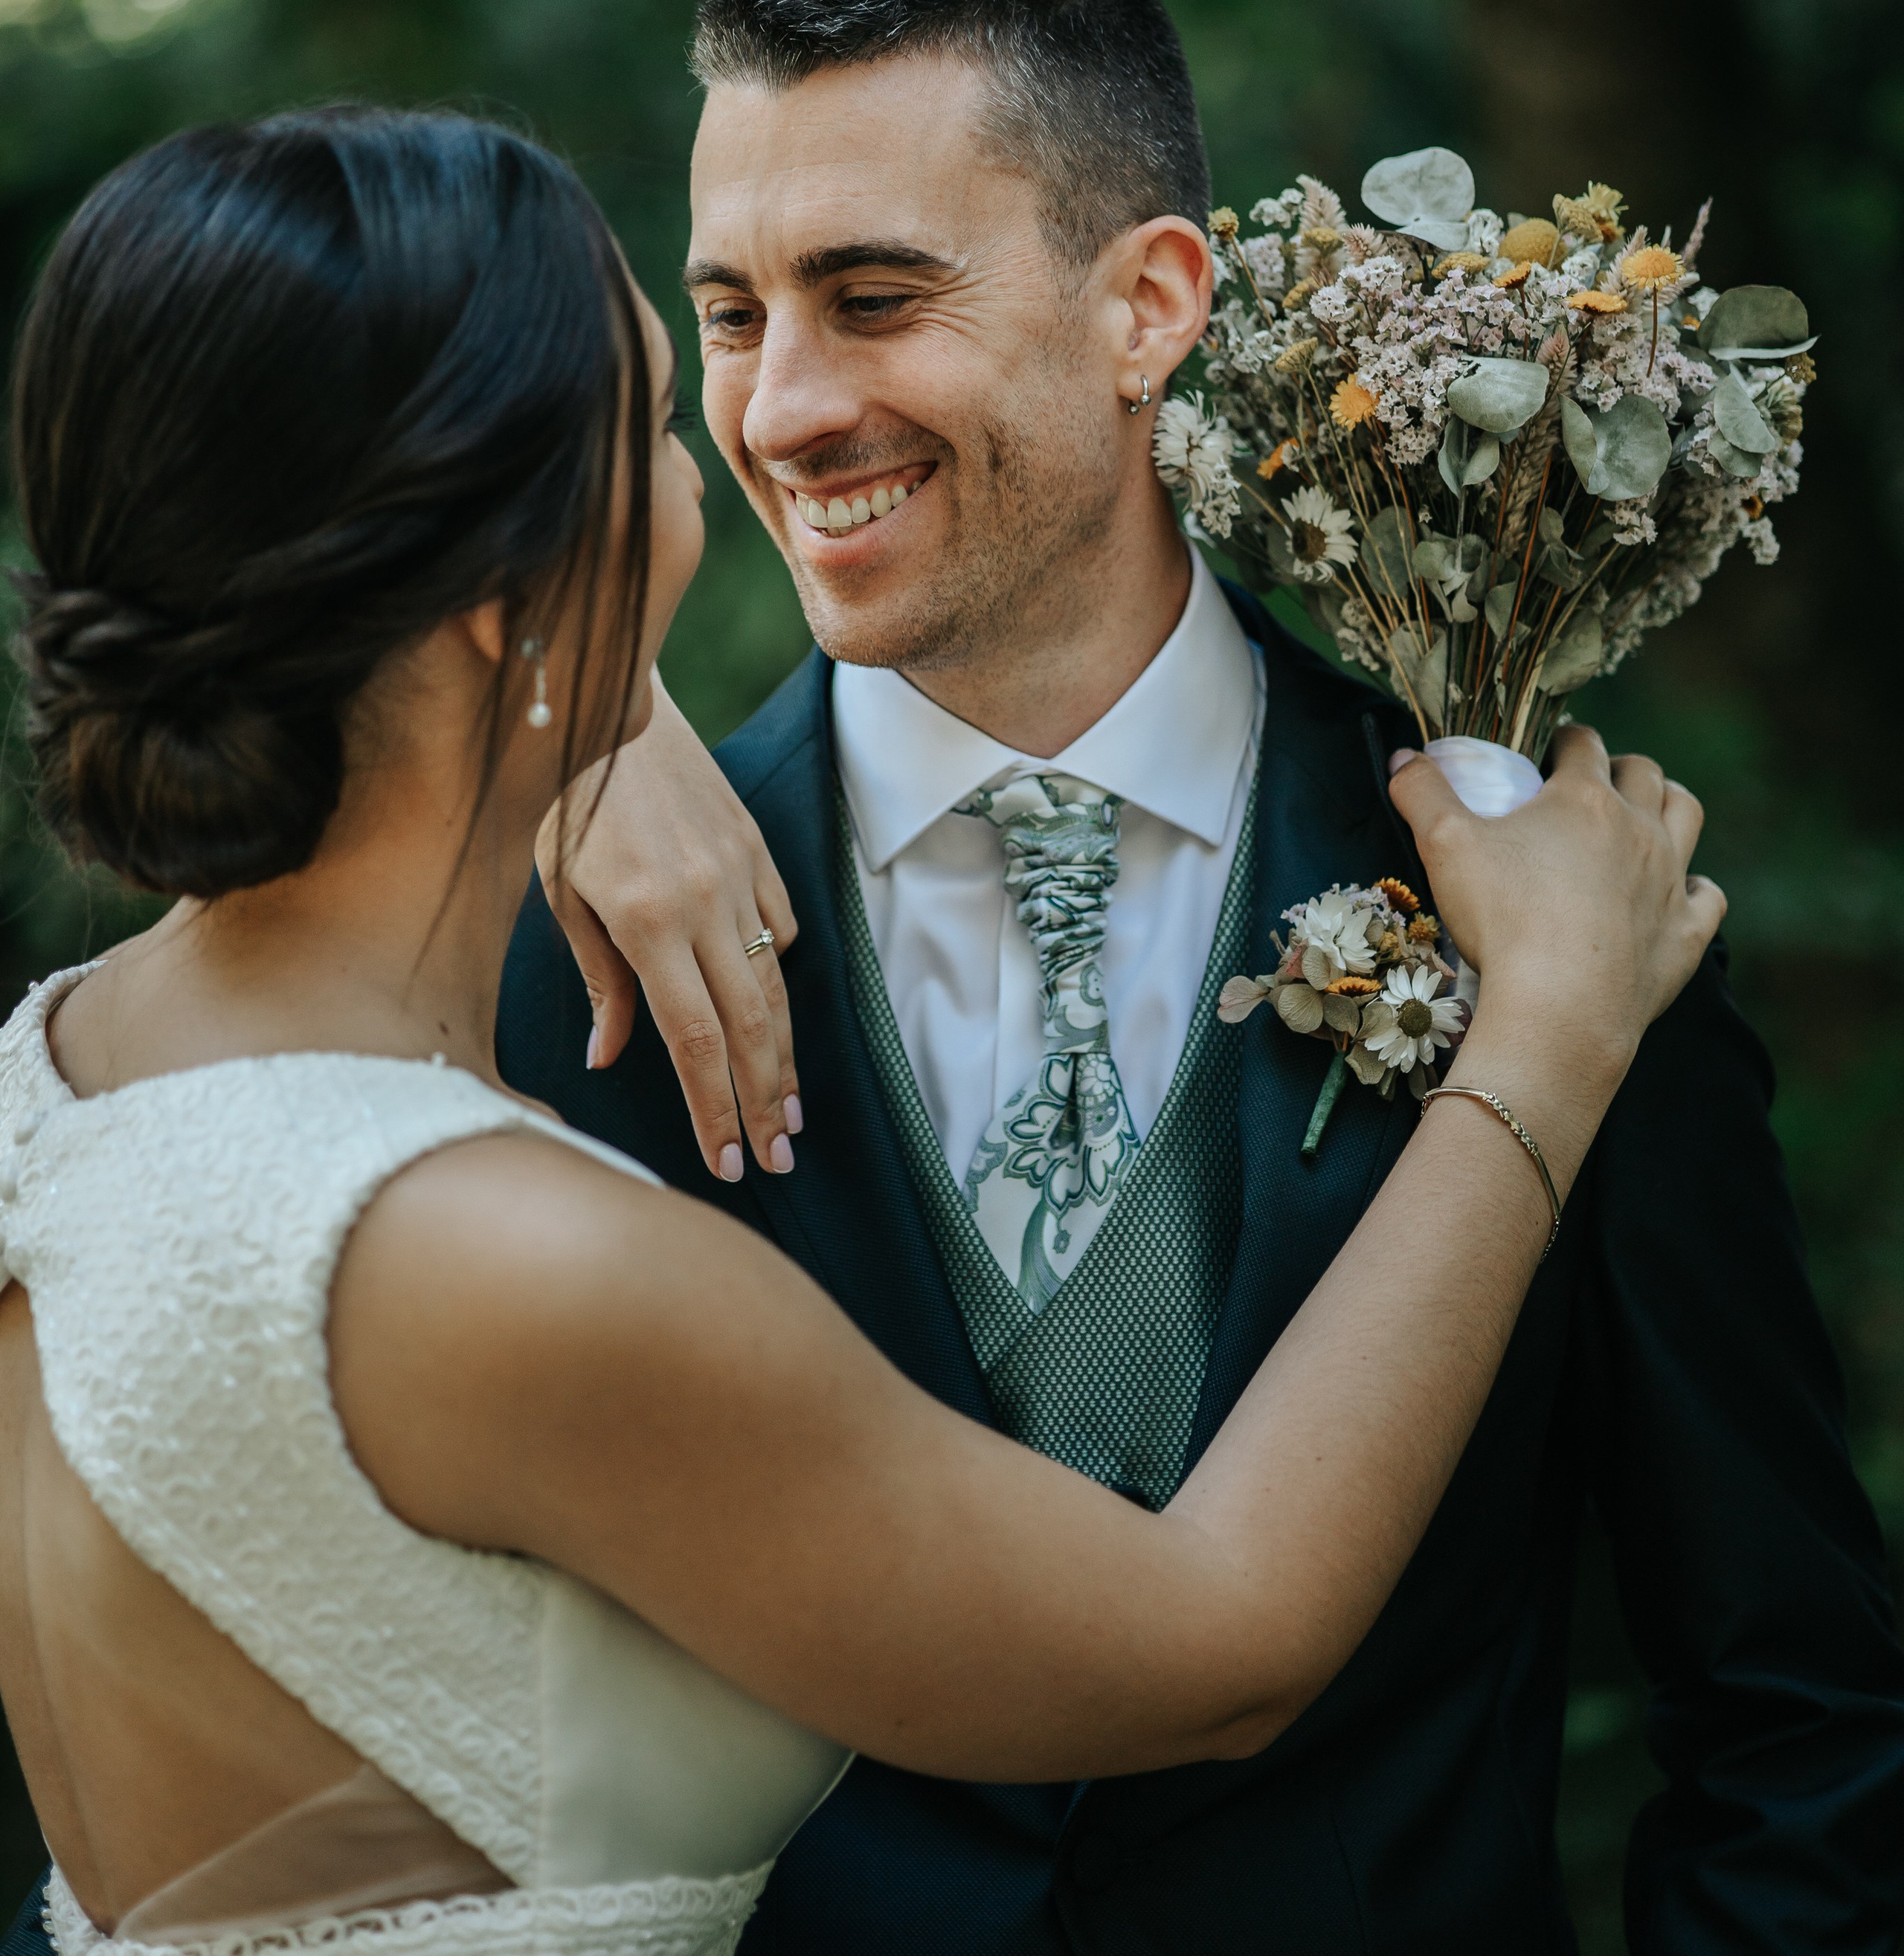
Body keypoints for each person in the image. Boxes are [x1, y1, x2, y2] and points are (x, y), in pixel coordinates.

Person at [0, 106, 1715, 1956]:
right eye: (666, 410)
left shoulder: (57, 1082)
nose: (747, 439)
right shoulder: (516, 1259)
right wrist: (1537, 1039)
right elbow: (1216, 1641)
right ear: (498, 598)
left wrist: (574, 714)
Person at [498, 0, 1904, 1954]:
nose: (788, 407)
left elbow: (1796, 1715)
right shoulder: (587, 934)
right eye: (731, 314)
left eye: (875, 295)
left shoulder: (1550, 918)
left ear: (1150, 302)